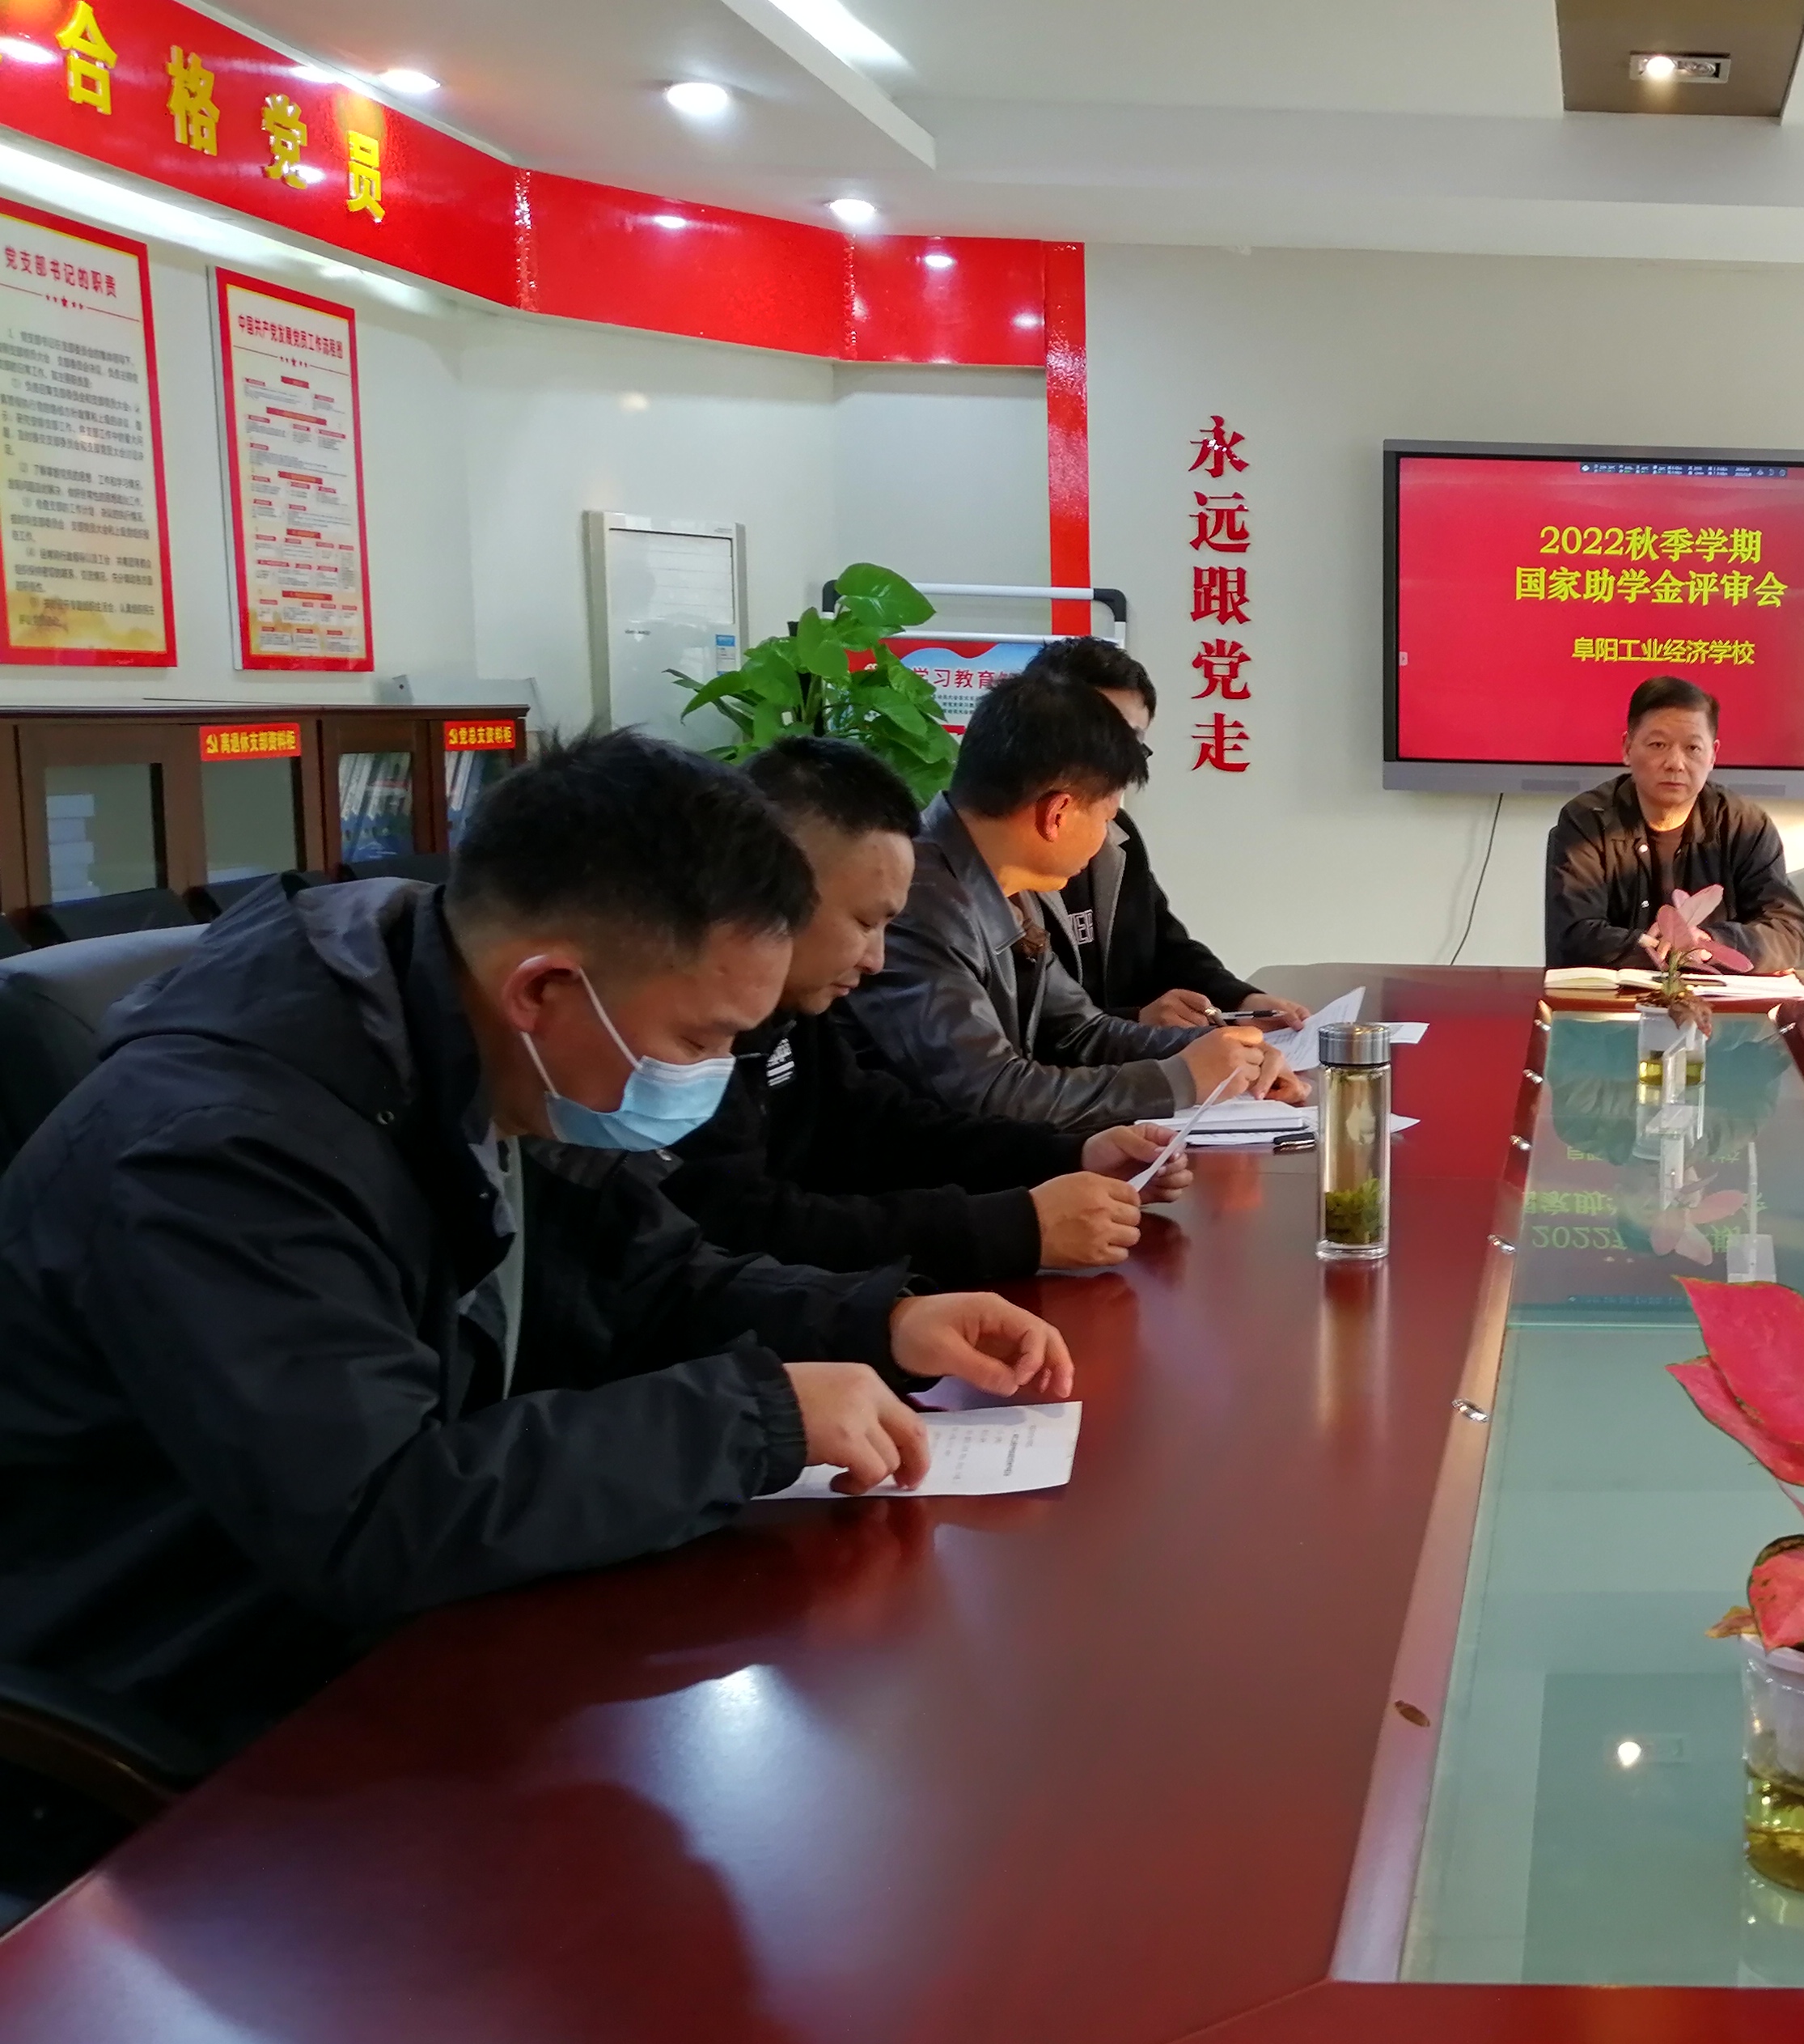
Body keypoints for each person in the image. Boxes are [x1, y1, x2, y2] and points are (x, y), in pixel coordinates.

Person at [0, 733, 1075, 1851]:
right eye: (701, 1039)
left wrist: (881, 1321)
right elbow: (374, 1517)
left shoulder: (473, 1042)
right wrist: (758, 1418)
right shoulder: (222, 1151)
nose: (712, 1077)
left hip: (426, 1637)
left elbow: (651, 1276)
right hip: (209, 1712)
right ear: (546, 988)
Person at [662, 736, 1201, 1287]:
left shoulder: (797, 1007)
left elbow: (880, 1126)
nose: (877, 959)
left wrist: (1071, 1156)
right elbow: (741, 1226)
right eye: (865, 924)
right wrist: (1014, 1226)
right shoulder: (688, 1032)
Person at [854, 671, 1301, 1130]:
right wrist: (1180, 1079)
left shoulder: (1001, 882)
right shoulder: (915, 900)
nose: (1108, 836)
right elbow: (989, 1090)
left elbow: (1080, 1030)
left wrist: (1225, 1053)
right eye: (1105, 817)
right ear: (1058, 814)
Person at [1019, 637, 1308, 1033]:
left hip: (1127, 1057)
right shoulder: (997, 860)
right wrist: (1136, 1023)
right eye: (1104, 736)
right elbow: (1014, 1027)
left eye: (1132, 742)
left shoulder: (1117, 833)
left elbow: (1166, 946)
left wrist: (1240, 1001)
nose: (1119, 762)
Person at [1544, 676, 1804, 971]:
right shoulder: (1588, 821)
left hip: (1714, 998)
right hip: (1615, 996)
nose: (1675, 763)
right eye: (1658, 744)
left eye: (1692, 748)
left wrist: (1708, 943)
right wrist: (1662, 947)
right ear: (1627, 748)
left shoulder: (1745, 826)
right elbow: (1574, 935)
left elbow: (1787, 931)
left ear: (1713, 755)